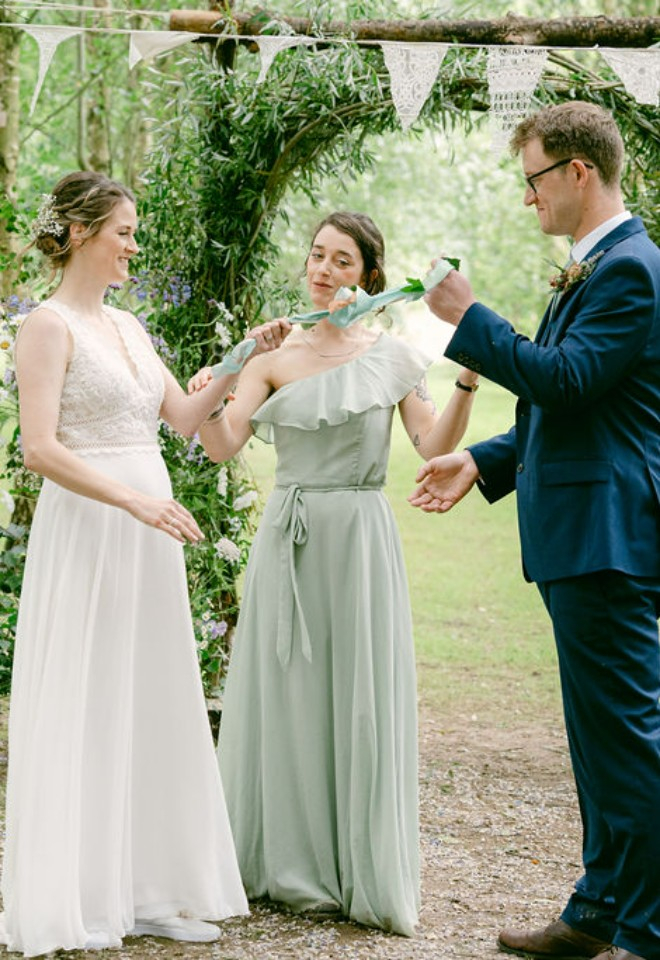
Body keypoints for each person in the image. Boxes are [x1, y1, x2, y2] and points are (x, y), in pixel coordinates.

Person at [0, 171, 287, 956]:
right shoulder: (46, 326)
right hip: (91, 534)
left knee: (148, 695)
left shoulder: (129, 326)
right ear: (82, 233)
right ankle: (81, 893)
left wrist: (242, 356)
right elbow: (40, 449)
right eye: (124, 232)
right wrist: (133, 502)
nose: (134, 245)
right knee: (90, 697)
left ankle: (147, 888)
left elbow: (186, 418)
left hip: (147, 540)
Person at [410, 102, 660, 960]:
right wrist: (483, 461)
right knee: (600, 744)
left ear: (578, 172)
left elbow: (567, 379)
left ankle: (648, 928)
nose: (529, 199)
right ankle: (598, 910)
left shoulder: (630, 270)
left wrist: (470, 317)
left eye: (534, 180)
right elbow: (573, 410)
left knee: (628, 742)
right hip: (581, 533)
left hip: (607, 536)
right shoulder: (600, 266)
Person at [189, 211, 480, 935]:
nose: (323, 270)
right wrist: (223, 380)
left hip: (359, 537)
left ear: (370, 277)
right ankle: (285, 859)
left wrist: (469, 378)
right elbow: (222, 444)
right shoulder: (272, 355)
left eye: (342, 260)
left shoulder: (393, 356)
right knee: (287, 692)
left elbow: (431, 444)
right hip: (289, 536)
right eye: (317, 255)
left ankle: (354, 862)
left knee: (355, 694)